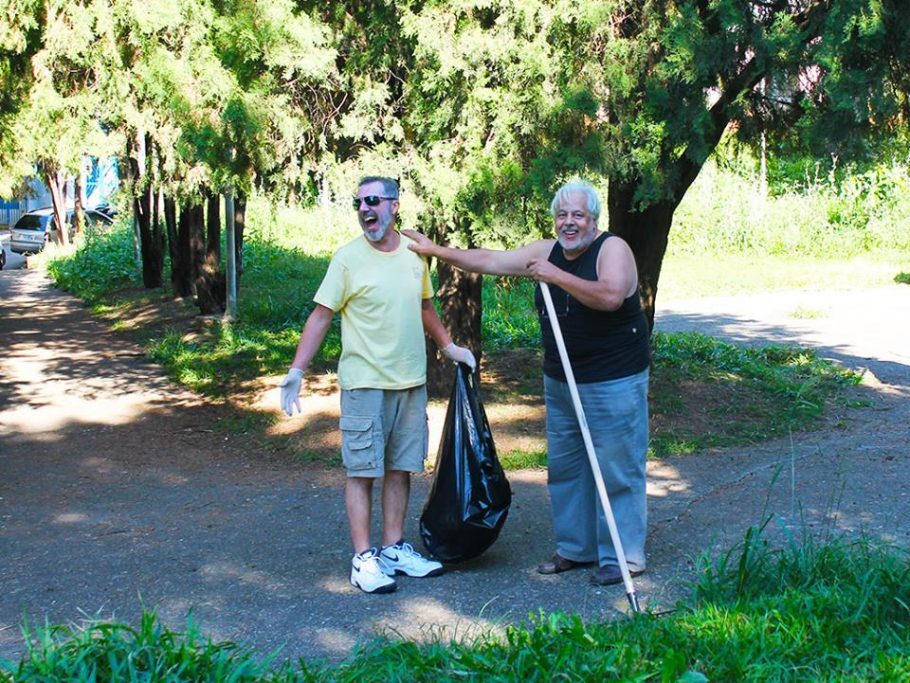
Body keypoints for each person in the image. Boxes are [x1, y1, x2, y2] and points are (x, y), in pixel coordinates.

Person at [403, 180, 650, 586]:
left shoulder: (612, 250)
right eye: (562, 215)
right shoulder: (544, 251)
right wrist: (436, 251)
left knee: (617, 468)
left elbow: (610, 296)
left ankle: (623, 557)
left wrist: (554, 275)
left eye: (578, 216)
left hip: (613, 379)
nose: (569, 223)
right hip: (562, 378)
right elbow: (490, 260)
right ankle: (577, 549)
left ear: (593, 220)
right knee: (567, 467)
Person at [278, 176, 476, 594]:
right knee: (362, 470)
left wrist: (449, 347)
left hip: (410, 382)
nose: (366, 209)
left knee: (401, 468)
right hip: (365, 384)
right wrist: (298, 369)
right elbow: (321, 316)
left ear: (394, 205)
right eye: (359, 203)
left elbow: (425, 306)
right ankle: (363, 559)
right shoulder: (347, 259)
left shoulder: (412, 253)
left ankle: (393, 547)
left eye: (373, 201)